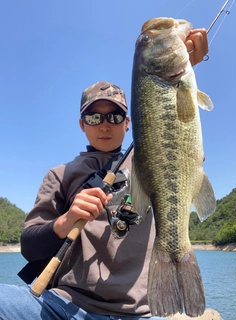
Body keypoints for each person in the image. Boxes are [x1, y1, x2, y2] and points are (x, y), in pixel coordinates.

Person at [0, 30, 209, 320]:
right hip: (61, 305)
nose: (104, 125)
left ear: (128, 123)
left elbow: (173, 119)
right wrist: (66, 220)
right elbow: (29, 246)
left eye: (114, 116)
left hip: (141, 313)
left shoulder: (149, 157)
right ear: (81, 124)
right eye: (94, 117)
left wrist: (185, 65)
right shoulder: (60, 175)